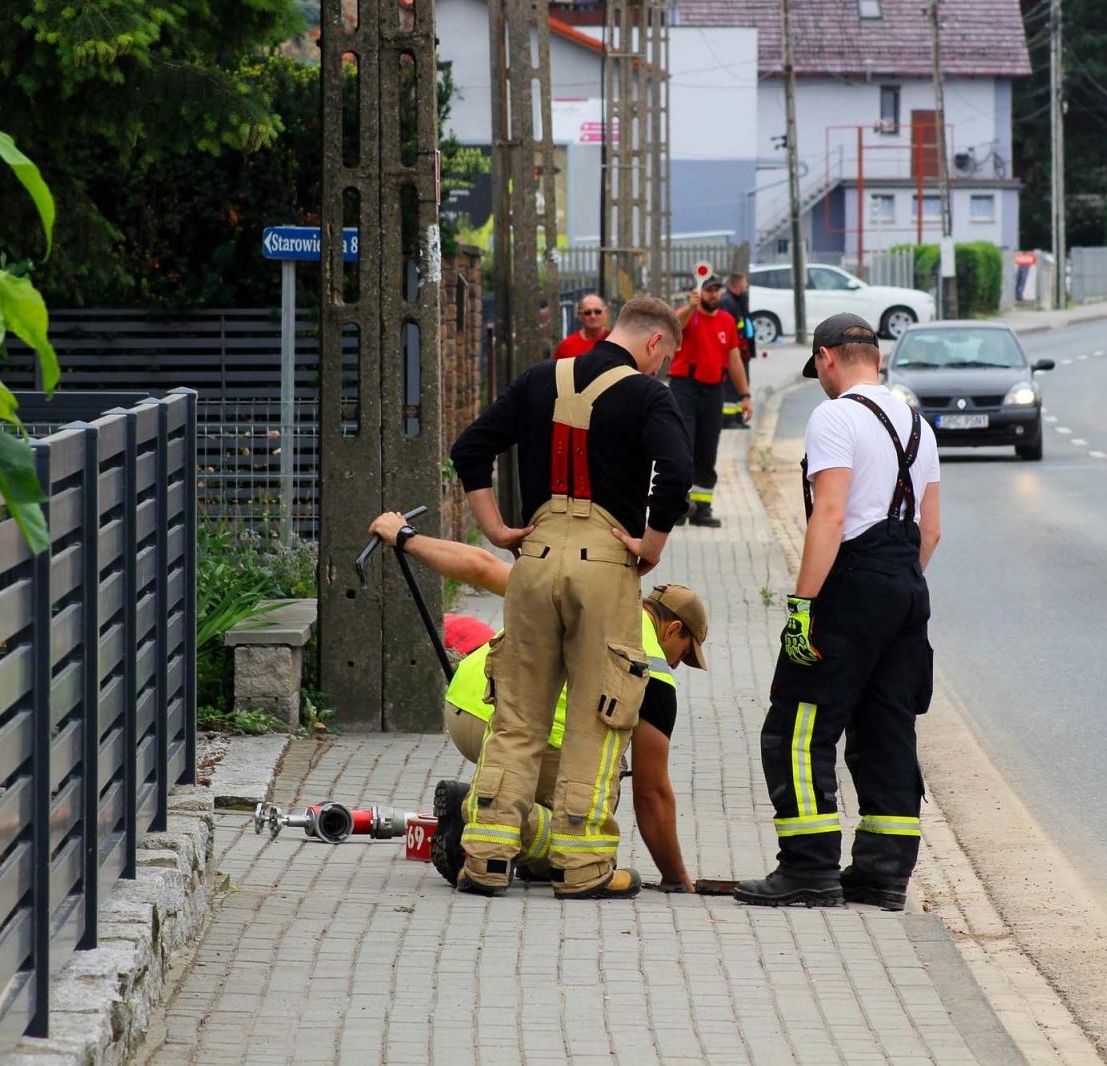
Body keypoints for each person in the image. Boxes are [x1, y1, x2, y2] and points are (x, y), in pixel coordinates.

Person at [448, 295, 692, 901]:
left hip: (534, 560)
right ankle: (582, 868)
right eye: (663, 360)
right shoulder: (648, 395)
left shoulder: (538, 378)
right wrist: (651, 543)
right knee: (596, 714)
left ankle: (484, 858)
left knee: (518, 714)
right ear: (655, 344)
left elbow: (470, 448)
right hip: (606, 564)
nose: (659, 371)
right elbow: (678, 468)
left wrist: (497, 530)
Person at [365, 512, 707, 892]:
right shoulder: (655, 673)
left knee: (566, 806)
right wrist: (677, 879)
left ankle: (501, 831)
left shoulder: (581, 591)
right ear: (673, 629)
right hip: (535, 733)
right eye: (685, 654)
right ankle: (479, 814)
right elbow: (652, 792)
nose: (678, 664)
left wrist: (406, 537)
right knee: (589, 814)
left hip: (469, 707)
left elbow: (480, 565)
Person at [734, 313, 941, 911]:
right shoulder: (918, 424)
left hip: (850, 582)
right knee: (886, 732)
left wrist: (802, 605)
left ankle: (808, 869)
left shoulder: (834, 416)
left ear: (827, 358)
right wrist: (894, 591)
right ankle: (883, 875)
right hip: (905, 585)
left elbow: (829, 514)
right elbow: (932, 530)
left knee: (797, 729)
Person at [671, 274, 752, 527]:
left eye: (717, 290)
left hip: (713, 389)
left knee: (707, 450)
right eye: (709, 290)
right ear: (699, 292)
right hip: (685, 386)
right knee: (683, 446)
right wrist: (690, 308)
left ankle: (701, 509)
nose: (714, 295)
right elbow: (673, 327)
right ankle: (676, 506)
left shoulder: (727, 321)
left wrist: (745, 395)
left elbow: (734, 359)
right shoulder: (688, 315)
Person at [718, 272, 756, 429]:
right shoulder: (727, 302)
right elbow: (729, 328)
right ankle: (728, 419)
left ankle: (739, 417)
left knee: (742, 383)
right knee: (732, 386)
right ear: (737, 284)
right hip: (735, 351)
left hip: (743, 351)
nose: (746, 286)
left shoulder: (740, 299)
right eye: (744, 283)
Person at [555, 293, 611, 359]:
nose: (593, 316)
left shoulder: (616, 342)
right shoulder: (566, 347)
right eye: (587, 312)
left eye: (597, 311)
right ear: (579, 315)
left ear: (606, 313)